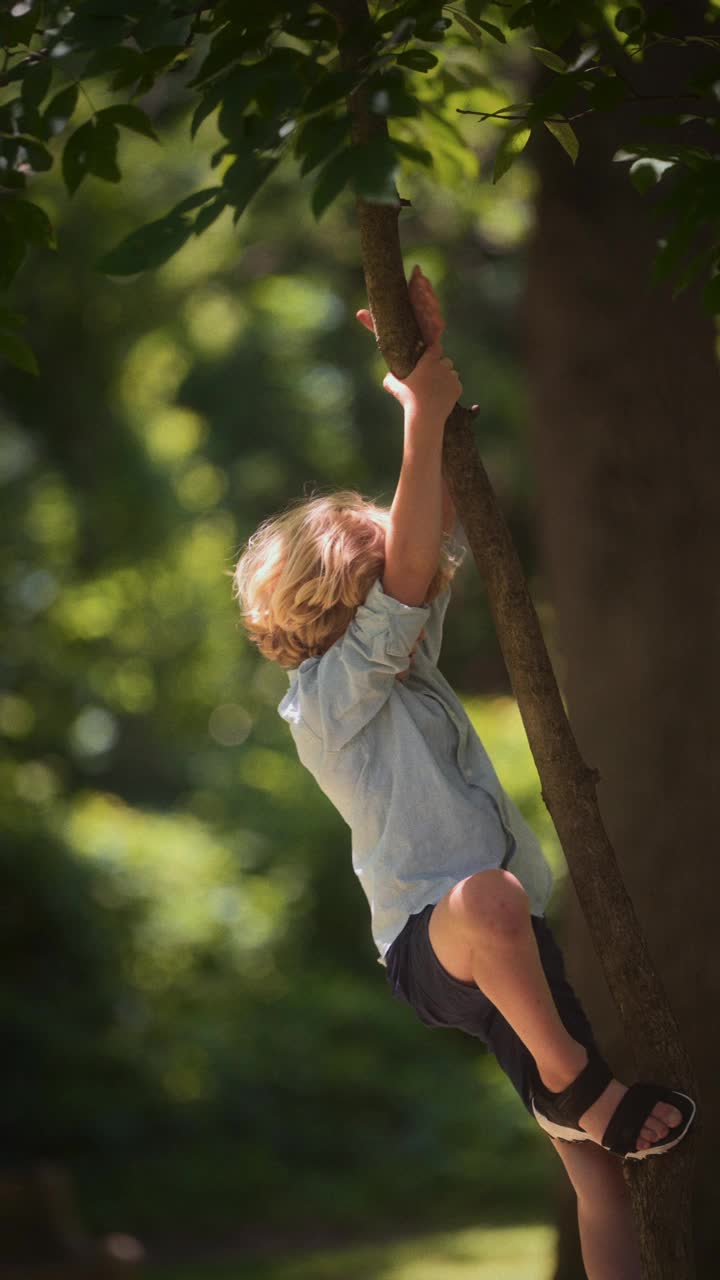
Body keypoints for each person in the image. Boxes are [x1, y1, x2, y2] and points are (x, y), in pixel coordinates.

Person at [233, 266, 695, 1280]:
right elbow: (406, 571)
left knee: (597, 1182)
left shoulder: (403, 662)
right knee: (486, 895)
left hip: (507, 950)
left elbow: (427, 533)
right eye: (379, 567)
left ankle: (582, 1110)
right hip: (436, 945)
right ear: (331, 592)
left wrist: (420, 366)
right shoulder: (325, 699)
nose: (414, 574)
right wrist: (422, 414)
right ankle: (582, 1084)